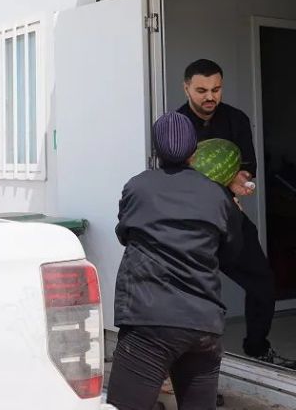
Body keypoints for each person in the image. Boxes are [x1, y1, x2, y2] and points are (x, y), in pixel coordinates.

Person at [106, 112, 243, 410]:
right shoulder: (217, 195)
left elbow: (125, 234)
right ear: (195, 150)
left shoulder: (137, 187)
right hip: (203, 325)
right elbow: (232, 253)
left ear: (155, 151)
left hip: (149, 321)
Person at [177, 59, 293, 367]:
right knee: (192, 294)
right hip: (190, 224)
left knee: (263, 284)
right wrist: (220, 179)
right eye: (201, 90)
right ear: (186, 87)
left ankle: (257, 347)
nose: (209, 97)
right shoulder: (176, 124)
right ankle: (189, 362)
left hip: (229, 218)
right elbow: (174, 174)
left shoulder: (236, 120)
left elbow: (247, 169)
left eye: (216, 89)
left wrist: (242, 182)